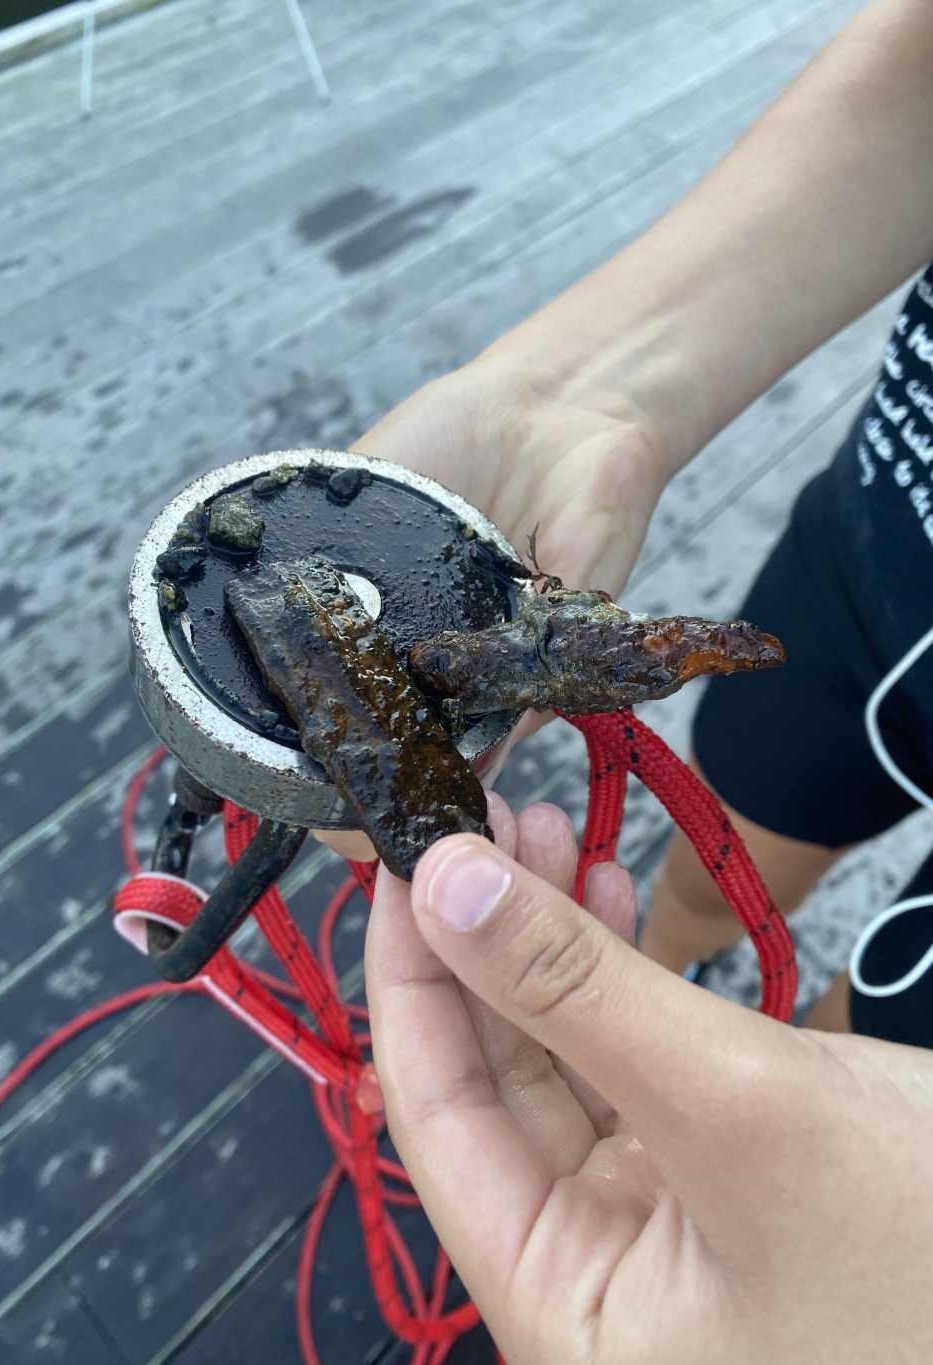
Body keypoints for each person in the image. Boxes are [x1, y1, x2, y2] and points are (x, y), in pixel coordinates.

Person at [327, 0, 933, 1356]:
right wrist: (575, 409)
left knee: (874, 1057)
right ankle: (654, 993)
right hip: (891, 529)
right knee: (718, 845)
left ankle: (758, 1088)